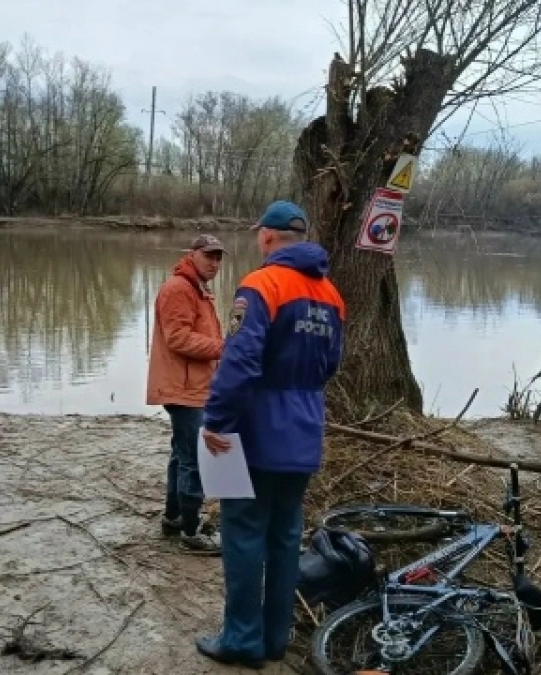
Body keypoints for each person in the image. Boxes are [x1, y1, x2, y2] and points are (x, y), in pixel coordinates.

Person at [194, 200, 346, 669]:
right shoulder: (332, 296)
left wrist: (215, 421)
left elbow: (240, 363)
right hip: (304, 429)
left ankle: (241, 640)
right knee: (285, 537)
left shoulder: (261, 285)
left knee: (243, 533)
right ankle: (275, 638)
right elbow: (332, 365)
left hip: (258, 430)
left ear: (267, 237)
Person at [146, 233, 228, 553]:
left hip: (193, 386)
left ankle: (174, 517)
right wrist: (224, 348)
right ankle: (192, 533)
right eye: (209, 255)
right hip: (183, 390)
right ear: (192, 254)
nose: (215, 263)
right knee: (194, 459)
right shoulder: (178, 288)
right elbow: (178, 338)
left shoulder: (198, 289)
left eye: (219, 257)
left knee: (181, 455)